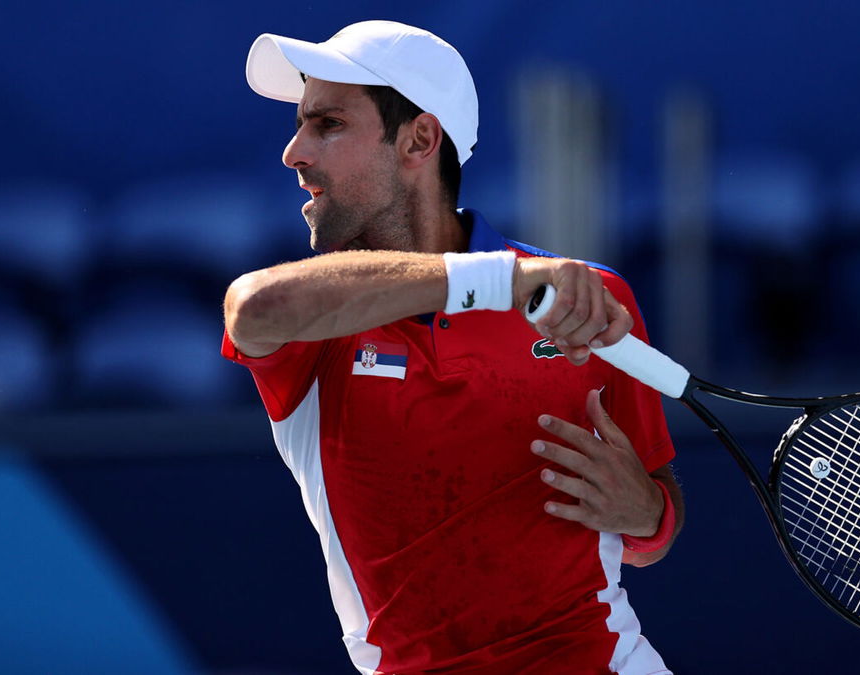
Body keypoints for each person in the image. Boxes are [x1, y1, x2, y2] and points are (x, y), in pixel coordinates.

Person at [222, 20, 683, 675]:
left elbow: (653, 522)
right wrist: (500, 281)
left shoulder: (591, 298)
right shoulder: (312, 317)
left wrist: (648, 512)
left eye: (326, 125)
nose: (293, 152)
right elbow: (252, 308)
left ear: (419, 138)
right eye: (299, 125)